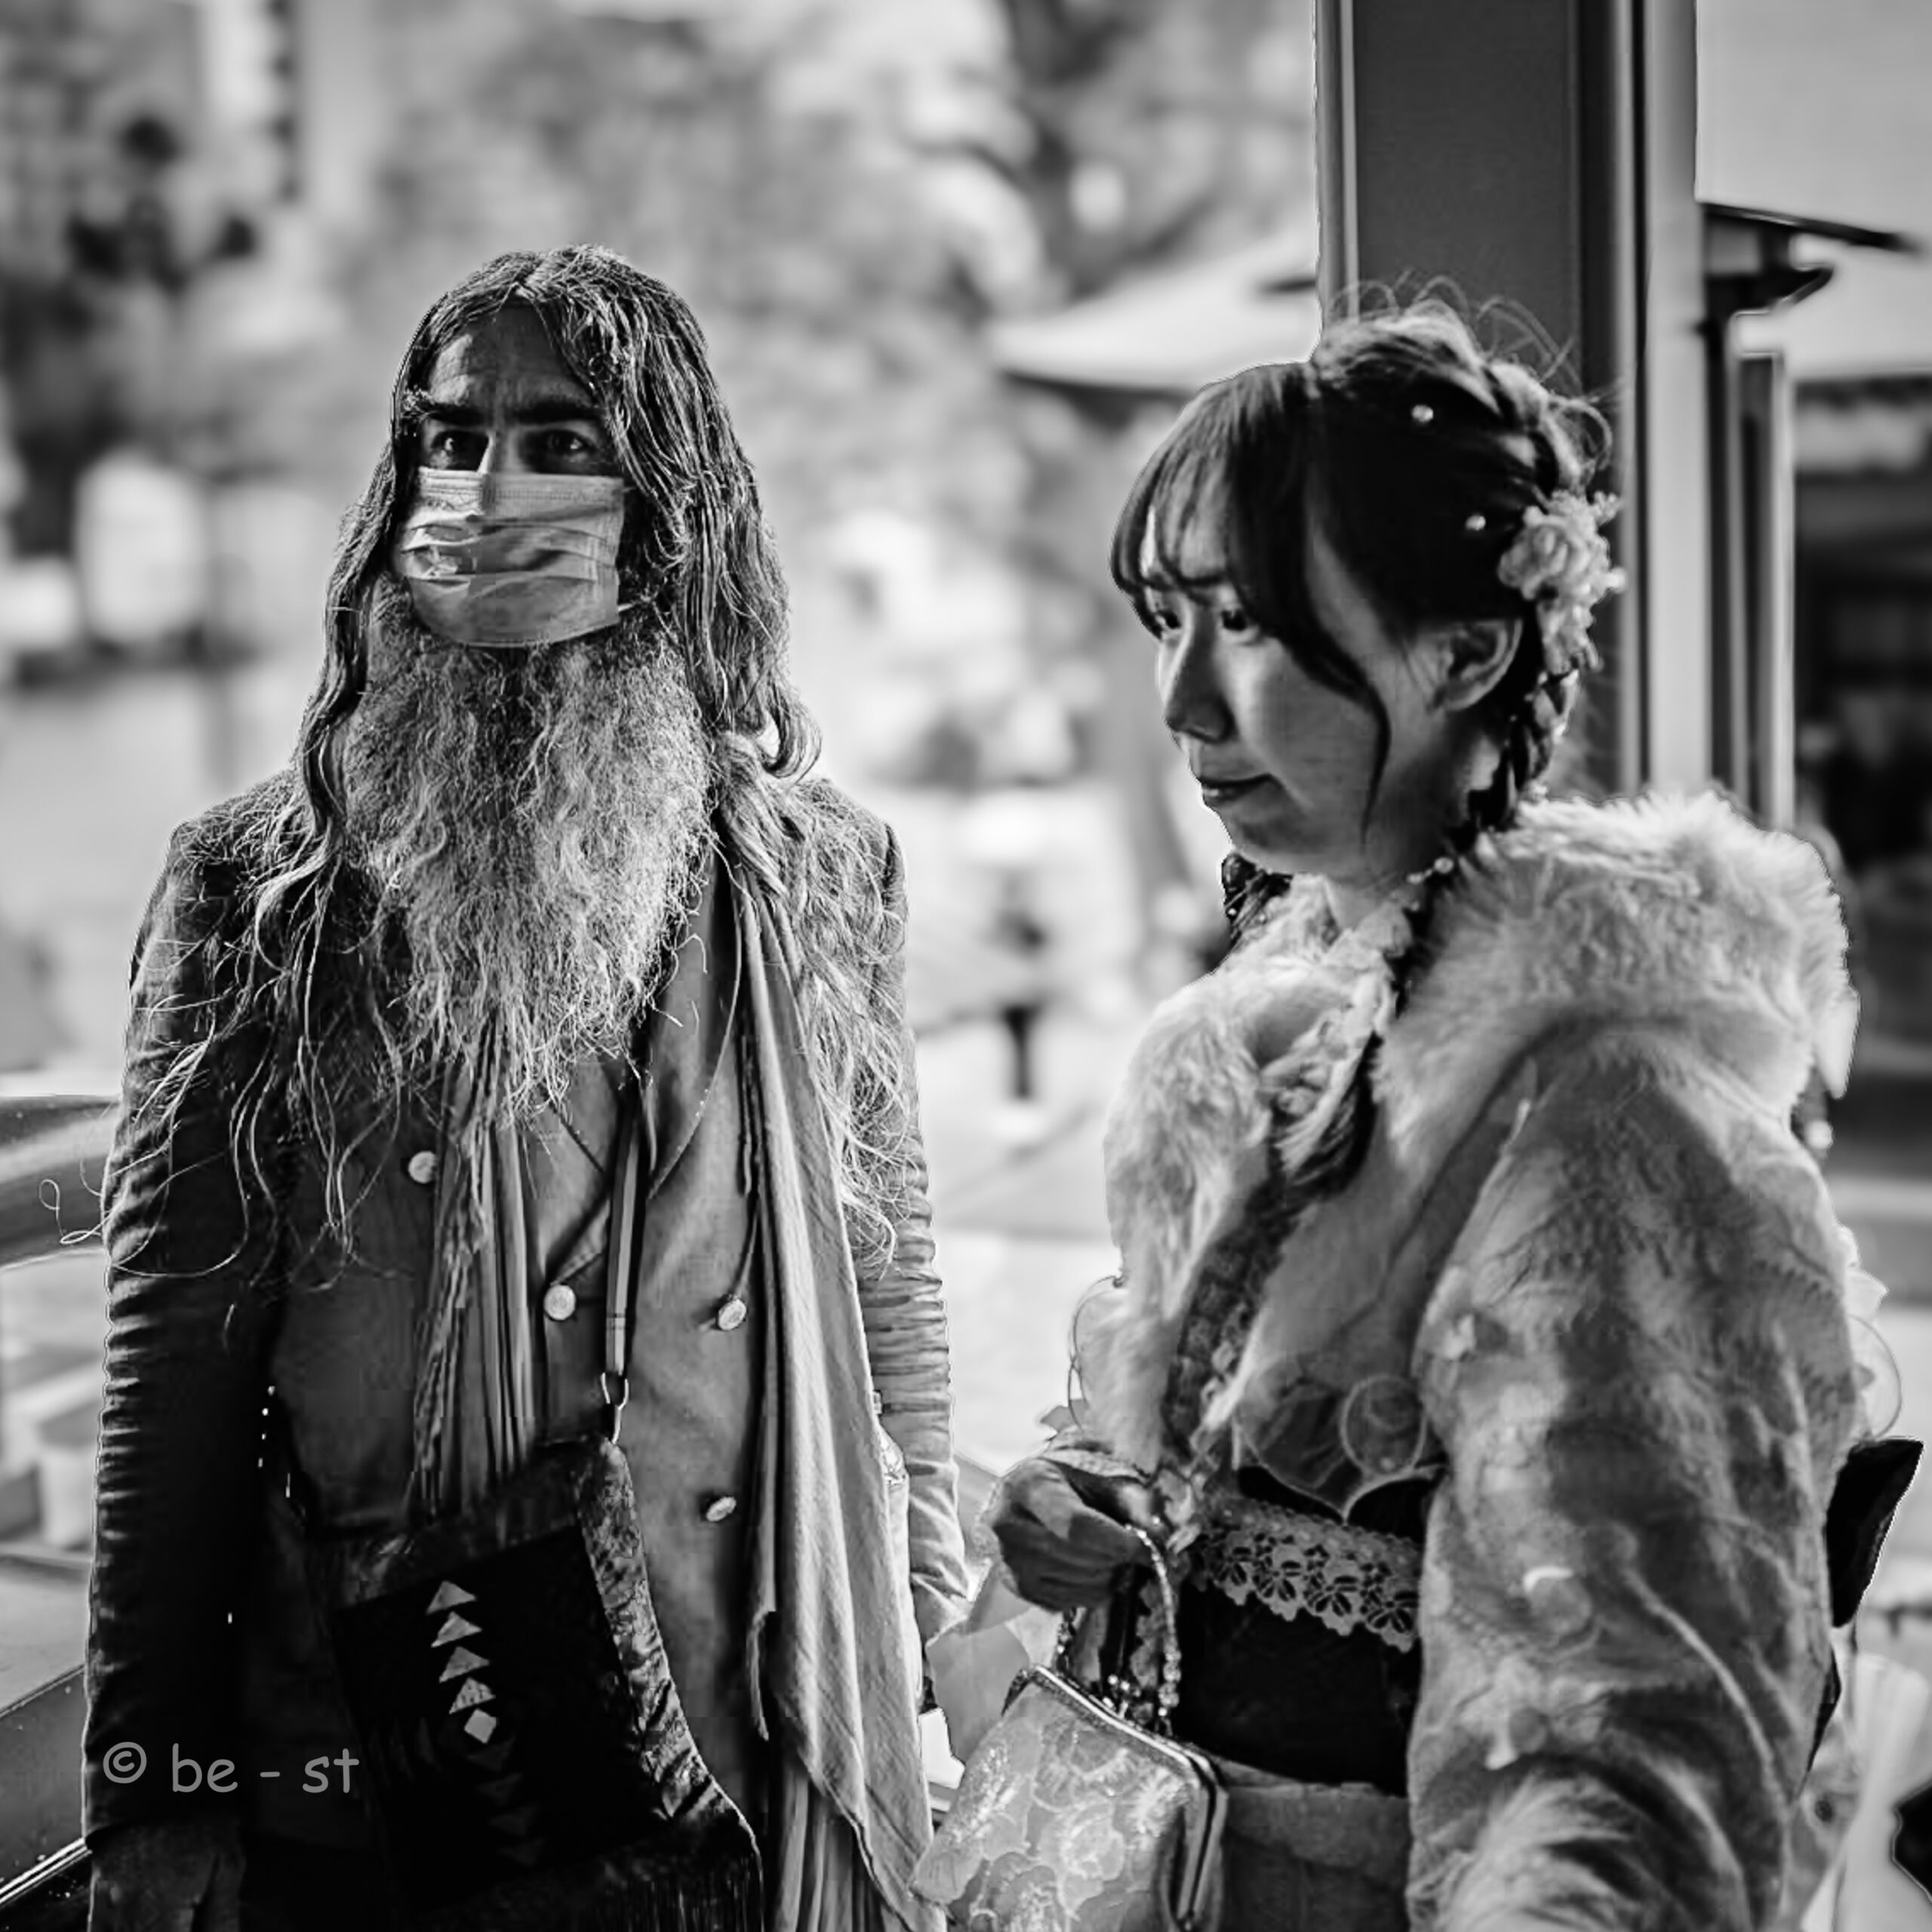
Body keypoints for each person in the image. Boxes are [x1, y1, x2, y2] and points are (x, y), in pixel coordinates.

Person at [967, 306, 1900, 1929]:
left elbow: (1628, 1747)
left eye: (1253, 624)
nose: (1185, 700)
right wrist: (1075, 1509)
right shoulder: (1270, 1028)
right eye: (1168, 621)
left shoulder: (1617, 1116)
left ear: (1465, 652)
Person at [83, 246, 968, 1930]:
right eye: (452, 437)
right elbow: (173, 1368)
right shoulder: (259, 888)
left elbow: (884, 1277)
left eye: (561, 440)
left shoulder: (818, 874)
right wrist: (153, 1781)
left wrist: (921, 1614)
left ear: (670, 503)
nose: (491, 490)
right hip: (391, 1746)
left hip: (746, 1722)